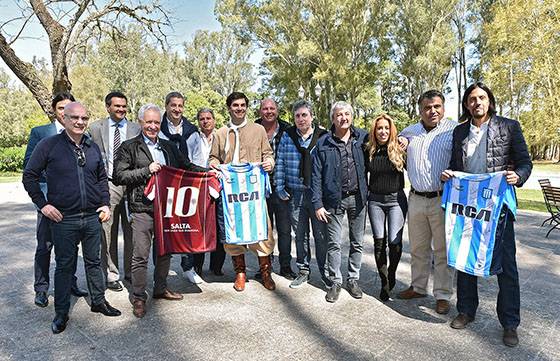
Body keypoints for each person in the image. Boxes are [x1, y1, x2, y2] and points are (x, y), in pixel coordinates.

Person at [441, 82, 532, 347]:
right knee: (465, 255)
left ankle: (510, 323)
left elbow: (525, 162)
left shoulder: (509, 126)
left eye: (481, 98)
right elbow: (455, 166)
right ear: (466, 104)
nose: (476, 102)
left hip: (499, 207)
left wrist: (519, 176)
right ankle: (466, 310)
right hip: (468, 208)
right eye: (471, 99)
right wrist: (449, 174)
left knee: (507, 266)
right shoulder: (459, 132)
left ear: (489, 101)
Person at [23, 102, 121, 334]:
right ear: (64, 119)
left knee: (94, 262)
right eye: (74, 117)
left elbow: (100, 179)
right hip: (63, 219)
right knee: (65, 266)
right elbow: (30, 176)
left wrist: (105, 204)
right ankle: (61, 313)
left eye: (84, 118)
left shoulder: (91, 146)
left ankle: (98, 301)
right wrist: (43, 205)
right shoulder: (49, 145)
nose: (80, 122)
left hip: (91, 217)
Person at [113, 104, 208, 318]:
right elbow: (119, 175)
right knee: (140, 255)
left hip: (167, 209)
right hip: (142, 208)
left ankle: (160, 288)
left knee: (165, 251)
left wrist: (210, 173)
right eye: (149, 122)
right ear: (140, 122)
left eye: (156, 122)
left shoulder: (168, 146)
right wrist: (146, 170)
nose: (153, 126)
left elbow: (187, 167)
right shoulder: (130, 147)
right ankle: (138, 296)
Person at [23, 92, 88, 307]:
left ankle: (70, 282)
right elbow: (30, 172)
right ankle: (41, 288)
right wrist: (42, 204)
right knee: (44, 246)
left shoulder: (81, 135)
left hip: (73, 205)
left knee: (70, 248)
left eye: (69, 107)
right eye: (61, 108)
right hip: (48, 205)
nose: (65, 112)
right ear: (55, 110)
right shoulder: (41, 133)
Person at [209, 92, 276, 292]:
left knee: (263, 231)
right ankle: (240, 271)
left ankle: (265, 271)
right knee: (233, 230)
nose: (239, 108)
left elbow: (268, 154)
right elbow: (213, 158)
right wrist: (215, 166)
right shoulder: (221, 133)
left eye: (243, 105)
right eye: (235, 105)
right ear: (229, 107)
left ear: (247, 107)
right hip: (232, 193)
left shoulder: (259, 130)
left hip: (254, 192)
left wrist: (269, 163)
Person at [397, 90, 456, 315]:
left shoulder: (453, 131)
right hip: (416, 198)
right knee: (418, 248)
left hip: (442, 198)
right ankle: (418, 287)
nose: (432, 111)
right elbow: (397, 155)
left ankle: (442, 294)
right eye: (427, 108)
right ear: (420, 110)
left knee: (442, 250)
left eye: (437, 107)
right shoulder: (409, 132)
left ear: (443, 108)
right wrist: (400, 143)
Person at [312, 101, 368, 303]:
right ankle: (335, 281)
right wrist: (318, 203)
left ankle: (353, 279)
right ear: (333, 119)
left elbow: (385, 143)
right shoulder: (323, 143)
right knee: (334, 243)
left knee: (357, 242)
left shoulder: (362, 138)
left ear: (351, 116)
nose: (343, 118)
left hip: (358, 197)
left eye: (347, 114)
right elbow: (316, 175)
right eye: (339, 115)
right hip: (333, 200)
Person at [89, 91, 140, 291]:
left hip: (132, 183)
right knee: (107, 230)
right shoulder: (95, 128)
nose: (121, 109)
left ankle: (130, 271)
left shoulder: (136, 128)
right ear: (108, 107)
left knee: (132, 231)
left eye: (124, 106)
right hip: (108, 183)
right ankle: (111, 274)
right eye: (117, 106)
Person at [274, 100, 328, 288]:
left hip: (316, 195)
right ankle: (303, 270)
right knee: (300, 234)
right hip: (294, 193)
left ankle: (325, 271)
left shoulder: (323, 136)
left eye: (304, 115)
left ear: (311, 116)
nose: (301, 119)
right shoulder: (287, 136)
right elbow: (279, 161)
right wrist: (279, 186)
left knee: (321, 235)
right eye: (297, 116)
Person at [159, 91, 205, 285]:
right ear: (167, 106)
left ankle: (188, 267)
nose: (177, 109)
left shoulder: (192, 131)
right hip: (165, 182)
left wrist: (197, 179)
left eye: (180, 106)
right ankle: (162, 270)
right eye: (173, 105)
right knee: (165, 226)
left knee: (188, 225)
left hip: (187, 183)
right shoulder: (158, 128)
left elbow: (198, 158)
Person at [365, 114, 407, 301]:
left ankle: (391, 273)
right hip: (375, 201)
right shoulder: (368, 150)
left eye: (386, 128)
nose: (383, 131)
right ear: (374, 131)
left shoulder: (400, 149)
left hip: (396, 200)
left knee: (395, 243)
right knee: (379, 243)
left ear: (392, 131)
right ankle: (384, 283)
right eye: (379, 128)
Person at [184, 108, 227, 277]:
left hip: (219, 186)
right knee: (199, 228)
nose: (205, 121)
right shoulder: (193, 138)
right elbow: (187, 162)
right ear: (198, 122)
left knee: (219, 226)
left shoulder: (222, 137)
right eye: (202, 119)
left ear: (214, 120)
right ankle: (197, 266)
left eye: (208, 118)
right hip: (198, 187)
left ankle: (217, 266)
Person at [255, 98, 295, 279]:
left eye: (272, 108)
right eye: (265, 108)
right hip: (258, 187)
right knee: (263, 229)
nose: (269, 111)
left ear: (277, 110)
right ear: (260, 111)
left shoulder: (288, 129)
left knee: (285, 229)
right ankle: (265, 265)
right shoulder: (253, 129)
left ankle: (285, 266)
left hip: (282, 186)